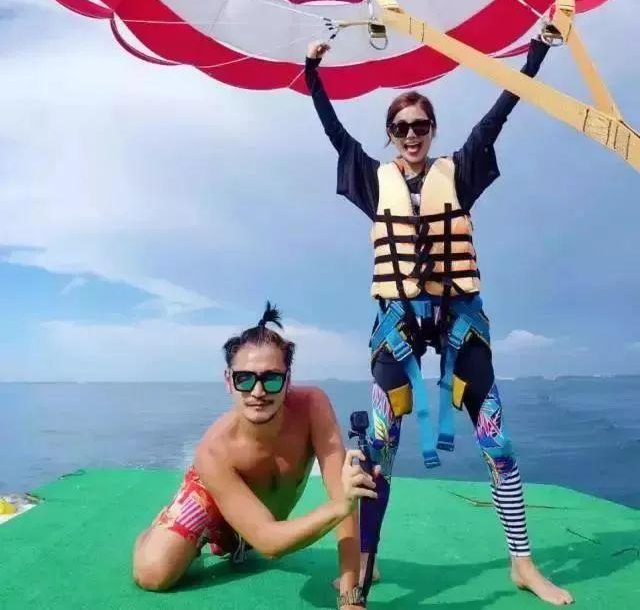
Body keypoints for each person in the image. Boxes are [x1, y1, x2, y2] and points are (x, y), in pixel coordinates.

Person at [304, 39, 574, 607]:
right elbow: (334, 134)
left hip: (460, 321)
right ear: (390, 133)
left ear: (432, 129)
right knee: (378, 449)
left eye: (420, 125)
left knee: (499, 445)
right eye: (400, 126)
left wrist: (537, 53)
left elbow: (502, 111)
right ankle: (366, 564)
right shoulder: (373, 179)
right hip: (397, 325)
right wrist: (312, 71)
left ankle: (523, 564)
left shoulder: (461, 169)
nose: (411, 134)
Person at [133, 303, 375, 609]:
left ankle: (232, 540)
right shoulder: (213, 451)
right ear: (228, 380)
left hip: (256, 521)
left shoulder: (313, 407)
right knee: (153, 573)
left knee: (342, 497)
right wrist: (341, 505)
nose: (258, 392)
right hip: (211, 498)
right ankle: (159, 530)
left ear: (288, 380)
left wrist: (350, 595)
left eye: (271, 378)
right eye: (244, 379)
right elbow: (271, 543)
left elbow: (344, 493)